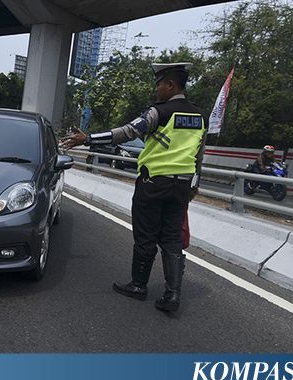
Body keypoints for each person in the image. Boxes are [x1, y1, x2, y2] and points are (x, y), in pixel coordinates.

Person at [61, 62, 207, 313]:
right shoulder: (199, 116)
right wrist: (195, 184)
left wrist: (88, 139)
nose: (157, 89)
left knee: (146, 235)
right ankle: (173, 294)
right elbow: (198, 155)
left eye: (159, 84)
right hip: (182, 186)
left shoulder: (159, 112)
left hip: (153, 184)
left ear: (170, 85)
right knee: (172, 238)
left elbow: (128, 132)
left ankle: (139, 285)